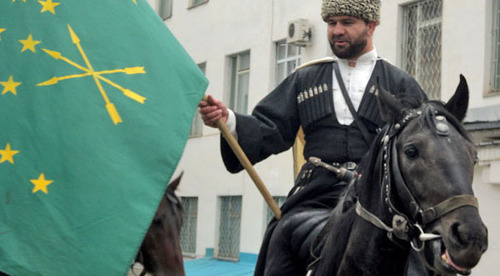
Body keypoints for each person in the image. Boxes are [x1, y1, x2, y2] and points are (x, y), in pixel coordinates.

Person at [199, 0, 428, 275]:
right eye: (331, 23)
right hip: (315, 193)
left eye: (347, 22)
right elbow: (268, 127)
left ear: (371, 25)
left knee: (421, 257)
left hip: (378, 198)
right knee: (280, 234)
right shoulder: (304, 78)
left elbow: (422, 151)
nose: (337, 30)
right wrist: (229, 120)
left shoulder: (400, 83)